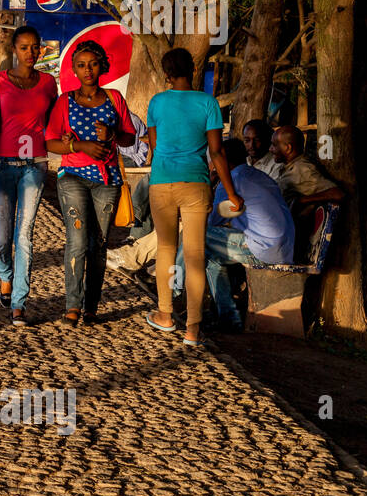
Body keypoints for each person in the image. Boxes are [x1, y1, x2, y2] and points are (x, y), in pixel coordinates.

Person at [143, 48, 242, 347]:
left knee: (165, 249)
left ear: (166, 74)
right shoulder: (208, 103)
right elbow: (216, 151)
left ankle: (165, 315)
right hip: (197, 185)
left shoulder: (157, 102)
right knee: (196, 255)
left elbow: (155, 144)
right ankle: (193, 329)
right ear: (193, 70)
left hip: (162, 182)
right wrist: (232, 192)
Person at [45, 39, 135, 326]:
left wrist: (111, 134)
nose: (87, 70)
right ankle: (72, 305)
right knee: (78, 239)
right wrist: (77, 147)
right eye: (81, 65)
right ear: (73, 69)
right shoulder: (65, 101)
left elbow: (129, 137)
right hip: (73, 177)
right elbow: (50, 141)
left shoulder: (114, 99)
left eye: (92, 64)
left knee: (99, 243)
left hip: (107, 179)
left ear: (102, 67)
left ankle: (91, 306)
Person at [0, 25, 58, 327]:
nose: (30, 52)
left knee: (24, 235)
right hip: (3, 165)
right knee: (3, 236)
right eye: (24, 47)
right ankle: (5, 276)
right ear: (14, 50)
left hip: (34, 166)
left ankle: (19, 302)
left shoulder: (49, 83)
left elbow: (53, 122)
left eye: (35, 47)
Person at [199, 137, 294, 331]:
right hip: (283, 248)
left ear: (220, 160)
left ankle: (173, 292)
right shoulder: (257, 175)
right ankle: (227, 318)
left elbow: (211, 222)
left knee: (197, 236)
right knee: (213, 258)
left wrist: (210, 180)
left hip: (264, 250)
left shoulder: (231, 181)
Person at [271, 125, 343, 209]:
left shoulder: (302, 169)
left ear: (287, 148)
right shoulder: (287, 166)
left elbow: (337, 194)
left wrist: (300, 201)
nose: (270, 149)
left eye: (274, 145)